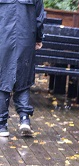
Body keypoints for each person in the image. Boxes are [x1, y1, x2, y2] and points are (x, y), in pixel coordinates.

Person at [0, 0, 45, 138]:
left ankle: (2, 125)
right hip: (26, 38)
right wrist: (38, 38)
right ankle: (24, 119)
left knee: (3, 78)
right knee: (24, 78)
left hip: (3, 39)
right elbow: (39, 18)